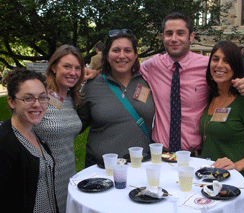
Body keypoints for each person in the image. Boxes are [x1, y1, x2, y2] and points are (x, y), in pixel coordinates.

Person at [85, 12, 244, 155]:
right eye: (169, 33)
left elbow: (227, 79)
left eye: (180, 33)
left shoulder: (207, 66)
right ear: (162, 36)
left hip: (195, 156)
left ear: (191, 36)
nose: (174, 39)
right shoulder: (152, 66)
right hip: (160, 156)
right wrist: (98, 73)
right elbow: (125, 68)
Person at [77, 29, 155, 167]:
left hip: (141, 166)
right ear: (106, 55)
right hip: (101, 168)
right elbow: (76, 125)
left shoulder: (149, 81)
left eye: (127, 50)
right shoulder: (92, 85)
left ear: (135, 55)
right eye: (116, 50)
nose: (122, 56)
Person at [33, 44, 84, 213]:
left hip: (68, 173)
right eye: (67, 66)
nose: (73, 72)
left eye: (77, 68)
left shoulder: (72, 99)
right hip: (42, 178)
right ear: (54, 67)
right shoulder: (39, 97)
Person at [0, 68, 58, 212]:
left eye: (42, 97)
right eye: (28, 98)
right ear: (12, 101)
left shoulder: (32, 133)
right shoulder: (5, 143)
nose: (37, 104)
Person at [199, 41, 244, 192]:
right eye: (215, 59)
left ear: (236, 66)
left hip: (235, 184)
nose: (219, 65)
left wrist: (236, 166)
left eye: (227, 61)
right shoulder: (210, 96)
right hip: (209, 181)